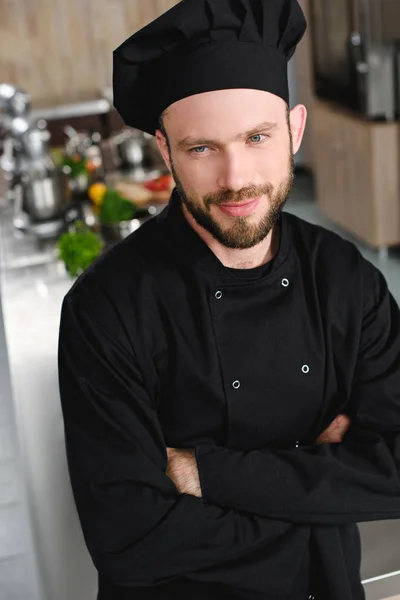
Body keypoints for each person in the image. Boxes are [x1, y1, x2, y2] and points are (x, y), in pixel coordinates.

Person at [57, 1, 400, 599]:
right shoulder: (106, 309)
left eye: (257, 136)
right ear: (165, 151)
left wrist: (203, 472)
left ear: (295, 129)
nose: (235, 177)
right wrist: (321, 486)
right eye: (201, 148)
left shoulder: (345, 279)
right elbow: (128, 538)